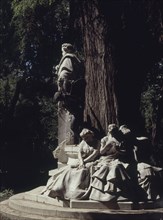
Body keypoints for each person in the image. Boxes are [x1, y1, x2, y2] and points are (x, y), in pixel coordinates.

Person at [41, 128, 100, 200]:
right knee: (68, 170)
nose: (85, 139)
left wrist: (84, 162)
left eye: (87, 137)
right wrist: (81, 161)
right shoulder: (83, 142)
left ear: (91, 135)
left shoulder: (97, 142)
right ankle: (59, 189)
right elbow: (79, 153)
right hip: (82, 161)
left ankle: (73, 191)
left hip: (91, 161)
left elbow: (94, 154)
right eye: (84, 138)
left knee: (81, 171)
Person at [86, 124, 137, 202]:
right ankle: (99, 194)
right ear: (108, 131)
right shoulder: (105, 139)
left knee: (117, 166)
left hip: (117, 159)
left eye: (115, 132)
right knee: (105, 167)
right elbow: (101, 152)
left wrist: (119, 150)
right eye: (111, 132)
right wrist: (108, 145)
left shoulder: (121, 140)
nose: (113, 134)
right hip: (106, 159)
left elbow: (126, 152)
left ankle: (118, 193)